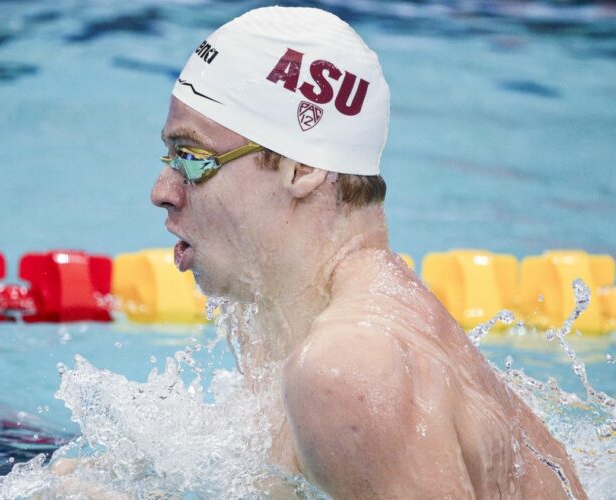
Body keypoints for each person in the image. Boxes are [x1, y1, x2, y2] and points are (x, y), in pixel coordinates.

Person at [151, 6, 587, 499]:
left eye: (192, 159)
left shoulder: (345, 369)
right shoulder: (288, 320)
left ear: (301, 170)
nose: (163, 190)